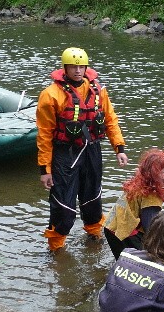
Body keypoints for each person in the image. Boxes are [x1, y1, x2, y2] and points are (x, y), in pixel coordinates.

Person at [37, 47, 129, 253]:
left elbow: (110, 119)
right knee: (63, 203)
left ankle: (95, 237)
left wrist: (119, 148)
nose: (77, 71)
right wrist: (45, 169)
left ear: (86, 67)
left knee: (93, 198)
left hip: (92, 150)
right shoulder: (51, 95)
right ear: (65, 68)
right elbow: (44, 134)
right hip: (65, 153)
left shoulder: (98, 90)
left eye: (81, 66)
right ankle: (56, 248)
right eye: (72, 66)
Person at [104, 148, 164, 260]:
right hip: (123, 232)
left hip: (110, 224)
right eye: (163, 172)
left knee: (123, 262)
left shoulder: (138, 182)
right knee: (142, 263)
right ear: (153, 173)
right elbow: (149, 227)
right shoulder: (152, 196)